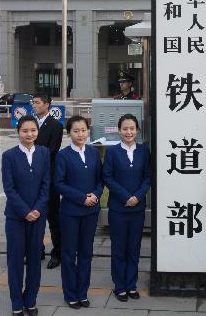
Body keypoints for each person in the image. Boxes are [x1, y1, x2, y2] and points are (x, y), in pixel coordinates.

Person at [2, 115, 50, 316]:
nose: (29, 134)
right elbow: (9, 188)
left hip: (38, 217)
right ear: (18, 132)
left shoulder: (44, 153)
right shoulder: (9, 155)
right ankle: (16, 302)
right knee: (15, 261)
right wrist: (25, 211)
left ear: (37, 132)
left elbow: (47, 184)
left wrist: (37, 209)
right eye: (25, 131)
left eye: (33, 130)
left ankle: (30, 299)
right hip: (16, 217)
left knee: (34, 260)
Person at [55, 115, 103, 309]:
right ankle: (70, 294)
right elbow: (59, 184)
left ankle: (82, 292)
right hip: (70, 213)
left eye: (83, 130)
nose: (80, 134)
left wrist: (96, 195)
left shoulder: (93, 153)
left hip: (91, 212)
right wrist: (82, 198)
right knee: (68, 254)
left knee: (86, 253)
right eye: (76, 131)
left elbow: (100, 179)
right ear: (69, 133)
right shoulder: (63, 155)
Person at [102, 114, 151, 302]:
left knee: (134, 248)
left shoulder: (143, 151)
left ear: (137, 130)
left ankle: (131, 284)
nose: (129, 132)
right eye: (125, 128)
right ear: (119, 130)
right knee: (118, 248)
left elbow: (148, 177)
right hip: (118, 209)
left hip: (137, 209)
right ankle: (119, 286)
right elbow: (107, 177)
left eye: (132, 128)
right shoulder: (113, 152)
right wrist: (125, 197)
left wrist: (137, 196)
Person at [31, 93, 64, 269]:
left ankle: (57, 253)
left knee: (53, 216)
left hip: (49, 178)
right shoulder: (31, 124)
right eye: (33, 103)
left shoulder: (56, 126)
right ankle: (38, 250)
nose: (34, 106)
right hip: (31, 178)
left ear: (47, 105)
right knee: (35, 215)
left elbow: (52, 151)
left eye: (37, 103)